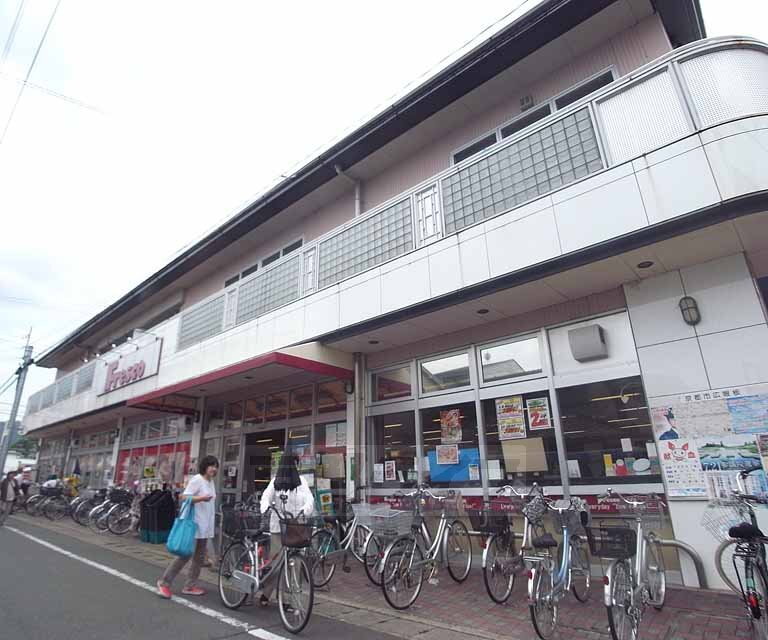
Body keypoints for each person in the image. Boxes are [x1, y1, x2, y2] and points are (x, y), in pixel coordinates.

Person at [157, 455, 218, 599]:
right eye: (211, 465)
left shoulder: (210, 482)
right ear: (205, 466)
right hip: (193, 524)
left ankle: (190, 585)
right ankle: (164, 582)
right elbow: (184, 497)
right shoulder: (197, 479)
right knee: (185, 555)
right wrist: (201, 498)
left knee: (199, 558)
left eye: (216, 466)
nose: (214, 469)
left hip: (204, 526)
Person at [258, 454, 315, 606]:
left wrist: (304, 510)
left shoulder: (302, 482)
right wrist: (267, 508)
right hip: (279, 528)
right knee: (276, 563)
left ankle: (290, 599)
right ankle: (267, 593)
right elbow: (265, 498)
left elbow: (310, 499)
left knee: (295, 564)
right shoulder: (275, 482)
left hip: (296, 528)